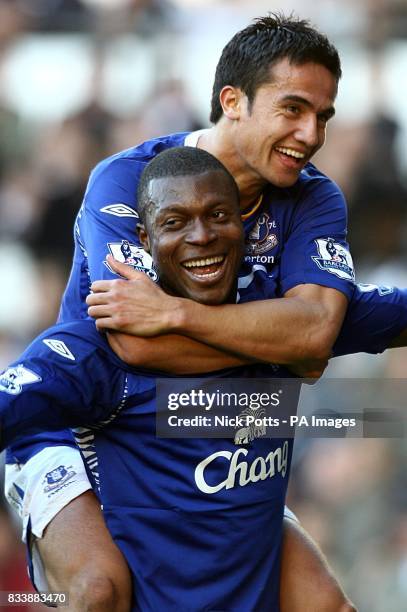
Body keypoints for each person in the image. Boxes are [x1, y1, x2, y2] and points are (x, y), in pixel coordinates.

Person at [4, 13, 406, 611]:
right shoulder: (129, 178)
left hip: (205, 426)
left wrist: (175, 315)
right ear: (232, 101)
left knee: (327, 605)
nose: (310, 133)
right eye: (292, 108)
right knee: (98, 590)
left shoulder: (314, 195)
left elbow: (316, 331)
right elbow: (136, 346)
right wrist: (279, 339)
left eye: (323, 116)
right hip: (90, 422)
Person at [1, 147, 305, 611]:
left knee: (327, 603)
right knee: (98, 591)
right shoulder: (108, 333)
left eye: (218, 215)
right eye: (176, 222)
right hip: (55, 434)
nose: (201, 236)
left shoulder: (282, 314)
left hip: (183, 461)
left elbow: (345, 327)